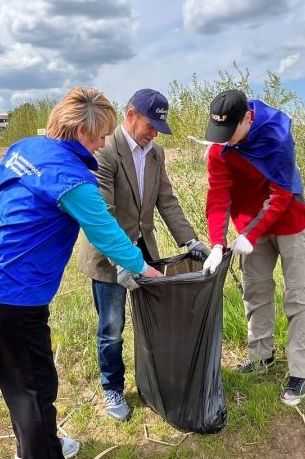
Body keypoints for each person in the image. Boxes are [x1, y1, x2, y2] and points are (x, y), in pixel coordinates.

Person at [0, 87, 162, 459]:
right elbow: (105, 233)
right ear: (84, 131)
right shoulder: (72, 178)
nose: (103, 143)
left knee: (17, 382)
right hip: (14, 295)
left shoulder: (25, 148)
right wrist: (145, 268)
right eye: (102, 135)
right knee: (36, 389)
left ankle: (31, 446)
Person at [77, 88, 210, 421]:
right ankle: (113, 388)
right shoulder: (105, 151)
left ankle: (152, 379)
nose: (153, 134)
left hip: (144, 251)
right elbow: (101, 214)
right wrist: (122, 263)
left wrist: (190, 241)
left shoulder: (156, 154)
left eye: (158, 129)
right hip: (108, 256)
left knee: (150, 323)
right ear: (131, 114)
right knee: (111, 327)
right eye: (150, 125)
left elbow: (166, 200)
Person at [202, 89, 305, 407]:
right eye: (219, 134)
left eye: (230, 133)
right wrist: (217, 241)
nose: (223, 140)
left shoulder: (277, 136)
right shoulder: (220, 149)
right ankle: (261, 357)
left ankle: (300, 370)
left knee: (298, 296)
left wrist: (251, 235)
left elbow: (281, 194)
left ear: (248, 119)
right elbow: (219, 196)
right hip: (248, 225)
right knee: (255, 290)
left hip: (288, 220)